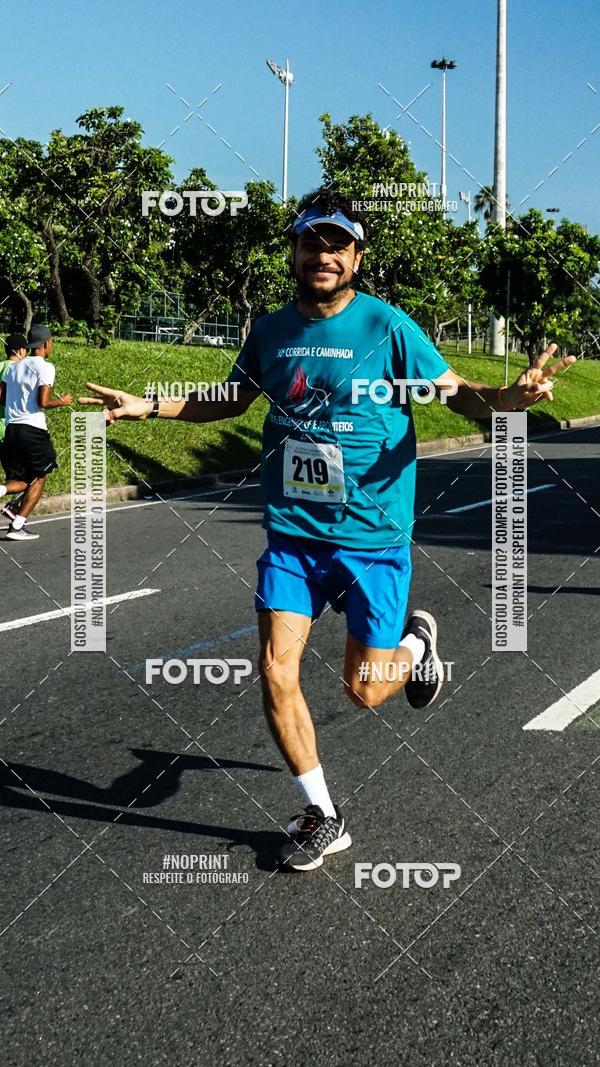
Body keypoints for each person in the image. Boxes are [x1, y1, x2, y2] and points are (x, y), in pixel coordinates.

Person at [79, 188, 574, 872]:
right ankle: (323, 815)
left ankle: (416, 643)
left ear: (357, 257)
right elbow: (232, 398)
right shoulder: (270, 330)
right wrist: (149, 405)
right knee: (275, 670)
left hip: (371, 539)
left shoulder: (388, 327)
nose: (324, 255)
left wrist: (509, 400)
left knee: (365, 691)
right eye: (312, 241)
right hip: (293, 536)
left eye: (338, 245)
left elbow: (457, 395)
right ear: (294, 250)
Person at [0, 324, 72, 541]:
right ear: (46, 343)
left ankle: (2, 491)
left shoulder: (13, 368)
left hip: (11, 429)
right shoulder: (45, 367)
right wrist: (63, 401)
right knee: (40, 476)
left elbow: (1, 397)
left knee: (22, 479)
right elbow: (43, 402)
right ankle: (17, 525)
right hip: (33, 430)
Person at [0, 333, 30, 521]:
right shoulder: (16, 370)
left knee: (14, 476)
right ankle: (14, 508)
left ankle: (12, 507)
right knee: (30, 477)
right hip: (8, 430)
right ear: (21, 350)